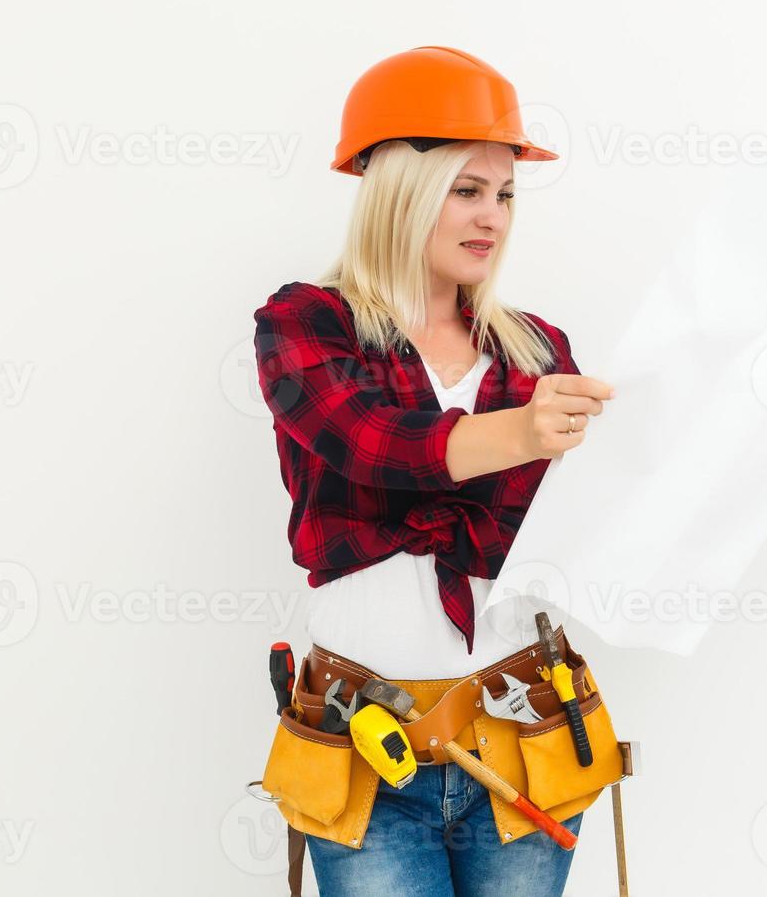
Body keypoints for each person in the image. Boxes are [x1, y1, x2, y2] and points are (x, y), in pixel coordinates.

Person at [253, 46, 615, 897]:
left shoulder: (536, 348)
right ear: (398, 191)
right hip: (366, 750)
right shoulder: (304, 324)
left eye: (504, 194)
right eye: (466, 189)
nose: (491, 216)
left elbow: (570, 530)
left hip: (522, 737)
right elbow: (371, 442)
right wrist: (521, 432)